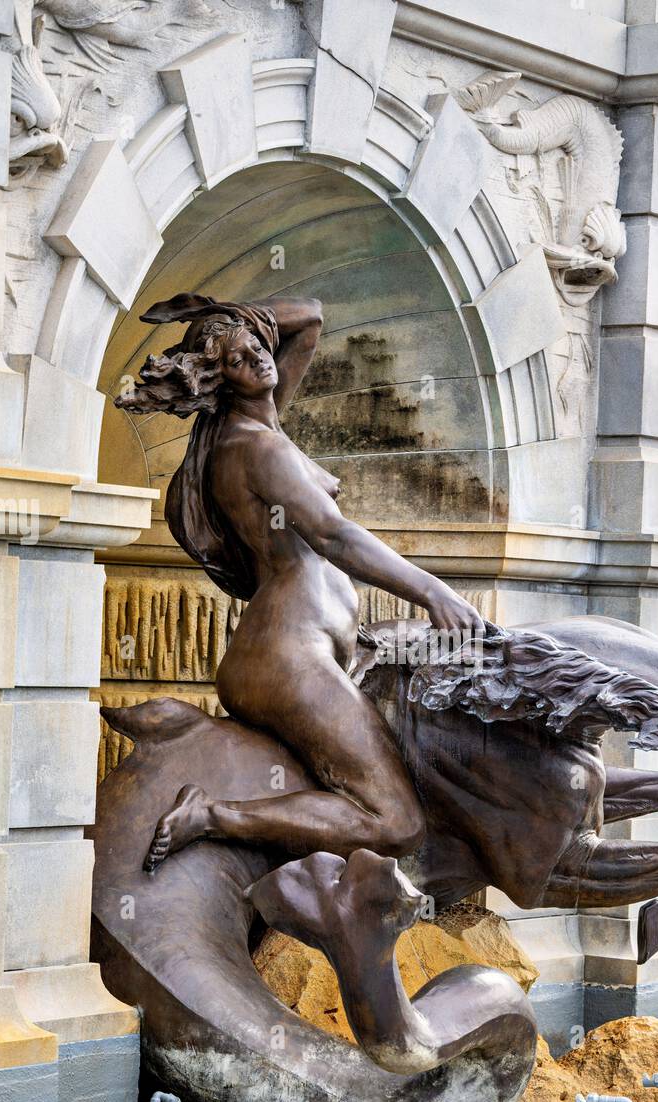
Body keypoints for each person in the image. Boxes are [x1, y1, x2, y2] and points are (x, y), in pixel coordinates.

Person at [116, 291, 484, 872]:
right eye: (238, 360)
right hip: (288, 657)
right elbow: (333, 536)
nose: (260, 359)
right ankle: (211, 814)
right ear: (219, 382)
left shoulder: (263, 422)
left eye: (258, 346)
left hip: (302, 648)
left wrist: (233, 322)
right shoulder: (255, 448)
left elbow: (310, 315)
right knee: (397, 822)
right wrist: (433, 591)